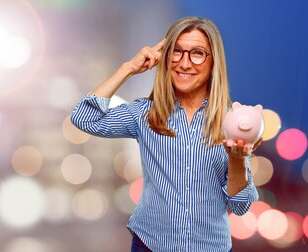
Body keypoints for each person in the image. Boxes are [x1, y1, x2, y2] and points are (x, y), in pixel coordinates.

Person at [71, 16, 260, 252]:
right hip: (150, 245)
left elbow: (241, 207)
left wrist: (237, 159)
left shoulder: (232, 121)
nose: (184, 63)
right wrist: (128, 68)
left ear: (214, 62)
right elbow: (83, 118)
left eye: (198, 53)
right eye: (176, 52)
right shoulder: (144, 114)